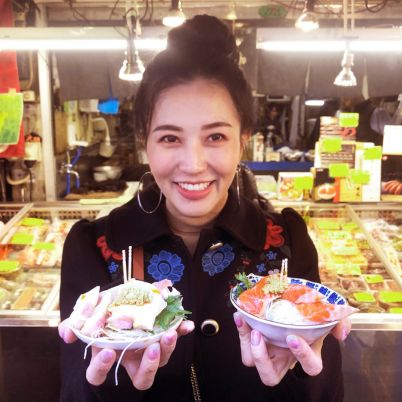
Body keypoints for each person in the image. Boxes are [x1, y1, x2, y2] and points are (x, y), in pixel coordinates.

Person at [58, 15, 350, 402]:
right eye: (169, 138)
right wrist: (110, 387)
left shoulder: (285, 245)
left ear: (242, 140)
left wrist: (302, 376)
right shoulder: (94, 248)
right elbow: (73, 391)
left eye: (215, 136)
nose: (193, 164)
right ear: (145, 142)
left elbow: (328, 392)